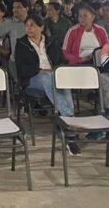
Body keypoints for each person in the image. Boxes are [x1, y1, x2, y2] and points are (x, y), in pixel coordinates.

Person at [15, 14, 79, 155]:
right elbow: (21, 69)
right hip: (33, 80)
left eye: (32, 25)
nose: (29, 28)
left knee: (62, 80)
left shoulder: (51, 42)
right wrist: (40, 70)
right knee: (46, 77)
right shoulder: (21, 44)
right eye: (27, 25)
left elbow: (62, 61)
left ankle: (69, 132)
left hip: (53, 77)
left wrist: (57, 71)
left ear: (41, 27)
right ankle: (69, 117)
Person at [0, 0, 29, 80]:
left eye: (19, 7)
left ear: (26, 8)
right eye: (14, 7)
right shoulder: (8, 23)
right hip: (15, 60)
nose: (15, 10)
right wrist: (1, 49)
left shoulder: (33, 22)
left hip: (33, 59)